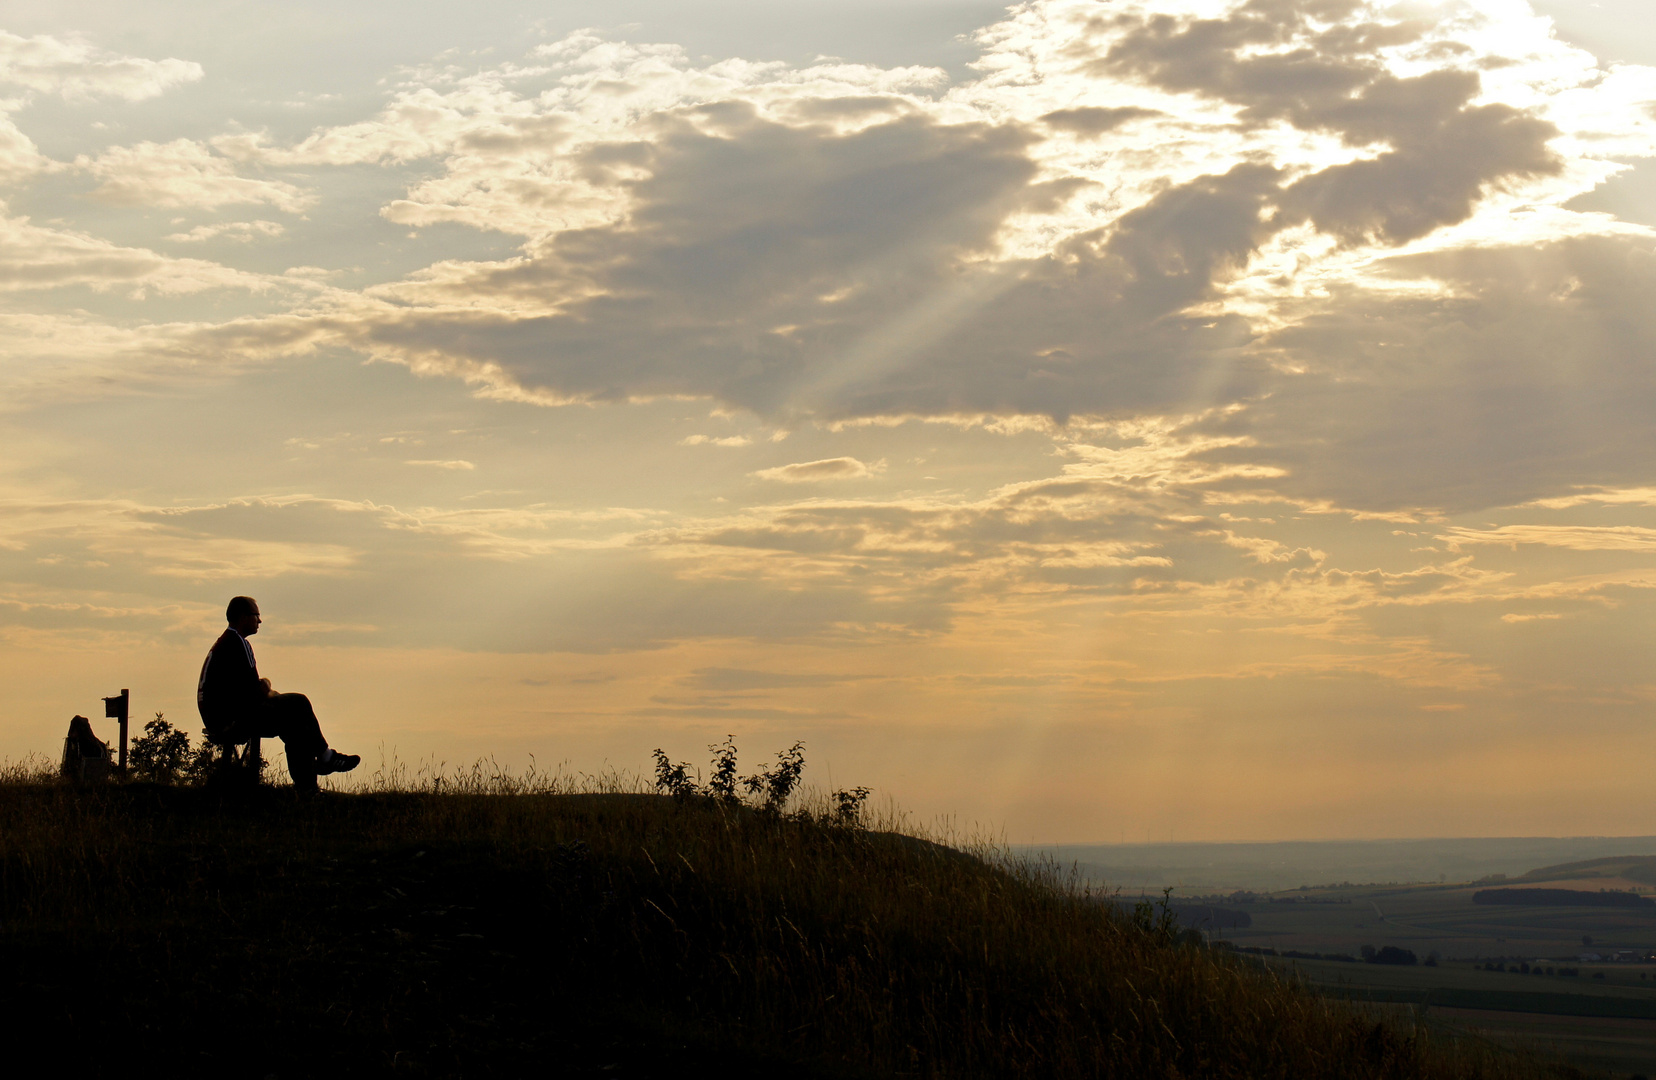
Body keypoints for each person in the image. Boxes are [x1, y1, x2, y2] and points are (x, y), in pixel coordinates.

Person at [197, 596, 359, 791]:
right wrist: (266, 683)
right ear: (243, 617)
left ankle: (310, 784)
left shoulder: (226, 642)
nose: (260, 620)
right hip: (230, 720)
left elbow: (249, 692)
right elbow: (256, 692)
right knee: (299, 704)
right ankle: (323, 762)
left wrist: (269, 693)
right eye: (256, 615)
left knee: (294, 718)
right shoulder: (238, 644)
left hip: (220, 717)